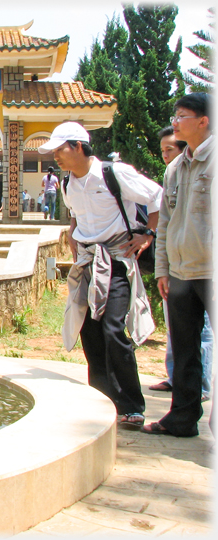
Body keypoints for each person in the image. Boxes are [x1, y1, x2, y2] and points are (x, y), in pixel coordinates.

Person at [39, 121, 162, 430]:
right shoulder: (68, 184)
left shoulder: (114, 174)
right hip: (90, 263)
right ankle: (102, 398)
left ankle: (131, 404)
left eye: (60, 149)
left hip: (117, 261)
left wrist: (147, 234)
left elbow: (157, 197)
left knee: (112, 328)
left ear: (79, 146)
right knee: (89, 330)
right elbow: (76, 220)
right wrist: (75, 247)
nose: (56, 156)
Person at [143, 93, 213, 437]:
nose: (175, 121)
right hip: (181, 274)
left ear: (204, 121)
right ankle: (182, 419)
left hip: (210, 271)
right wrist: (162, 270)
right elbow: (166, 223)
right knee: (184, 350)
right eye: (175, 115)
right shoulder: (174, 168)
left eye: (182, 116)